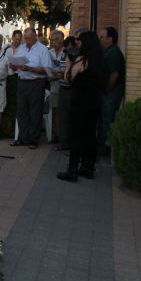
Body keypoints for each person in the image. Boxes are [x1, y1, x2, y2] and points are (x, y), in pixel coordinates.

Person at [57, 32, 103, 182]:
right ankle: (87, 168)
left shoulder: (83, 60)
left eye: (79, 41)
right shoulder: (100, 59)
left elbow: (69, 78)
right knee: (90, 136)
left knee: (76, 137)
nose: (78, 44)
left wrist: (70, 62)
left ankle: (72, 171)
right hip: (95, 103)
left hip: (80, 103)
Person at [10, 28, 52, 149]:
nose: (26, 40)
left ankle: (33, 139)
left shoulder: (42, 49)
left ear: (35, 37)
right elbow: (16, 64)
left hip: (36, 82)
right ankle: (22, 138)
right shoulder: (22, 48)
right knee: (21, 111)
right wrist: (13, 65)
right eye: (25, 38)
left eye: (28, 38)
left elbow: (46, 69)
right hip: (22, 82)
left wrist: (29, 68)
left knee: (35, 111)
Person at [98, 27, 125, 155]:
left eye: (102, 36)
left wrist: (107, 89)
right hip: (109, 91)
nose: (100, 39)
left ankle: (105, 148)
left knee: (107, 119)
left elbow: (114, 74)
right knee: (104, 118)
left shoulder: (114, 53)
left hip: (112, 92)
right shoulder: (107, 51)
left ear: (110, 38)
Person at [48, 30, 66, 144]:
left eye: (56, 40)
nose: (54, 42)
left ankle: (63, 136)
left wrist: (57, 74)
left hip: (64, 86)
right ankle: (56, 135)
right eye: (52, 40)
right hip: (54, 87)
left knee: (63, 112)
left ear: (62, 40)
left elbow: (66, 71)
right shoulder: (49, 52)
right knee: (55, 112)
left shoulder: (67, 52)